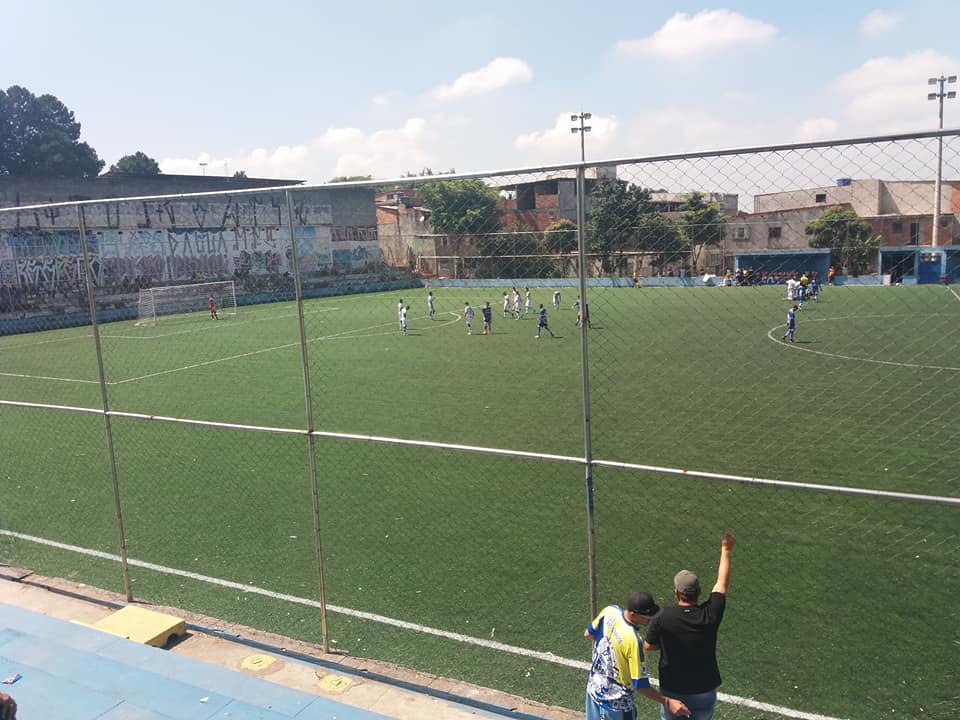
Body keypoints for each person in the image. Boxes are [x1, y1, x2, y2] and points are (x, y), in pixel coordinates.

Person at [644, 533, 736, 720]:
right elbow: (721, 585)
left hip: (673, 691)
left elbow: (648, 646)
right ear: (699, 592)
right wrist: (725, 550)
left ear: (676, 593)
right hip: (704, 690)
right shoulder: (710, 614)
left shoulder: (662, 616)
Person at [585, 591, 691, 720]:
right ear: (633, 614)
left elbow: (588, 634)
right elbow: (640, 685)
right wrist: (668, 702)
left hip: (594, 691)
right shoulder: (634, 641)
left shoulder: (609, 611)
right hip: (618, 705)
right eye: (646, 616)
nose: (650, 618)